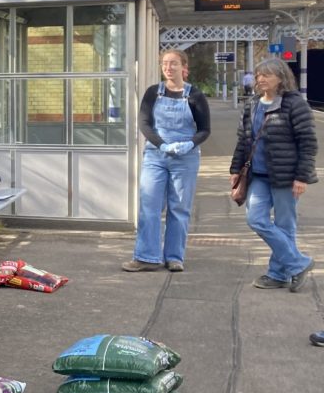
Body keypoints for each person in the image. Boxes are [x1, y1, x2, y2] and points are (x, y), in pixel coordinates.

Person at [230, 58, 317, 291]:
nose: (261, 79)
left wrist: (302, 176)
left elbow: (308, 143)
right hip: (257, 175)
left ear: (281, 77)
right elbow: (244, 140)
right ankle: (298, 263)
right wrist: (235, 169)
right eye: (258, 75)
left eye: (266, 75)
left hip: (286, 176)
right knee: (255, 219)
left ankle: (277, 274)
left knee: (284, 224)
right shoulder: (252, 104)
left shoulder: (294, 104)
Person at [122, 49, 210, 273]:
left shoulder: (195, 95)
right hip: (156, 156)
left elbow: (205, 129)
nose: (169, 68)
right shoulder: (153, 93)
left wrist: (189, 143)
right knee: (149, 206)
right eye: (165, 64)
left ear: (184, 67)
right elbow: (144, 123)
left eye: (173, 64)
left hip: (185, 158)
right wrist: (161, 144)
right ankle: (146, 257)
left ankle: (174, 257)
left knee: (179, 208)